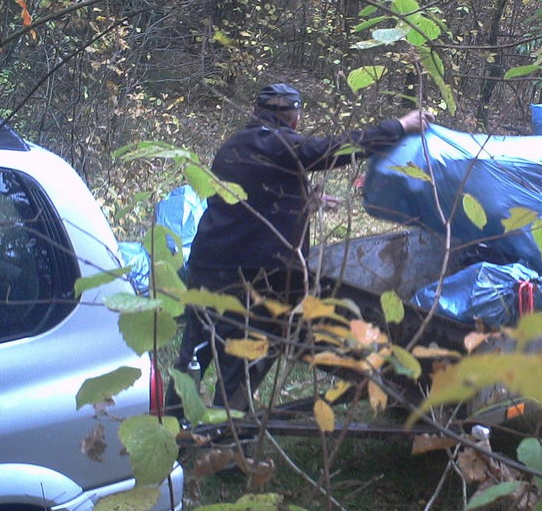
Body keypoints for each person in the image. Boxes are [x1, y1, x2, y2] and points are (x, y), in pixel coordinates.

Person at [164, 83, 432, 418]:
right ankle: (229, 440)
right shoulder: (274, 143)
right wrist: (401, 126)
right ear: (292, 117)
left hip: (209, 264)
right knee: (244, 359)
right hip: (247, 274)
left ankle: (172, 423)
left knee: (196, 347)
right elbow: (332, 149)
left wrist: (305, 201)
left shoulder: (237, 144)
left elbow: (253, 196)